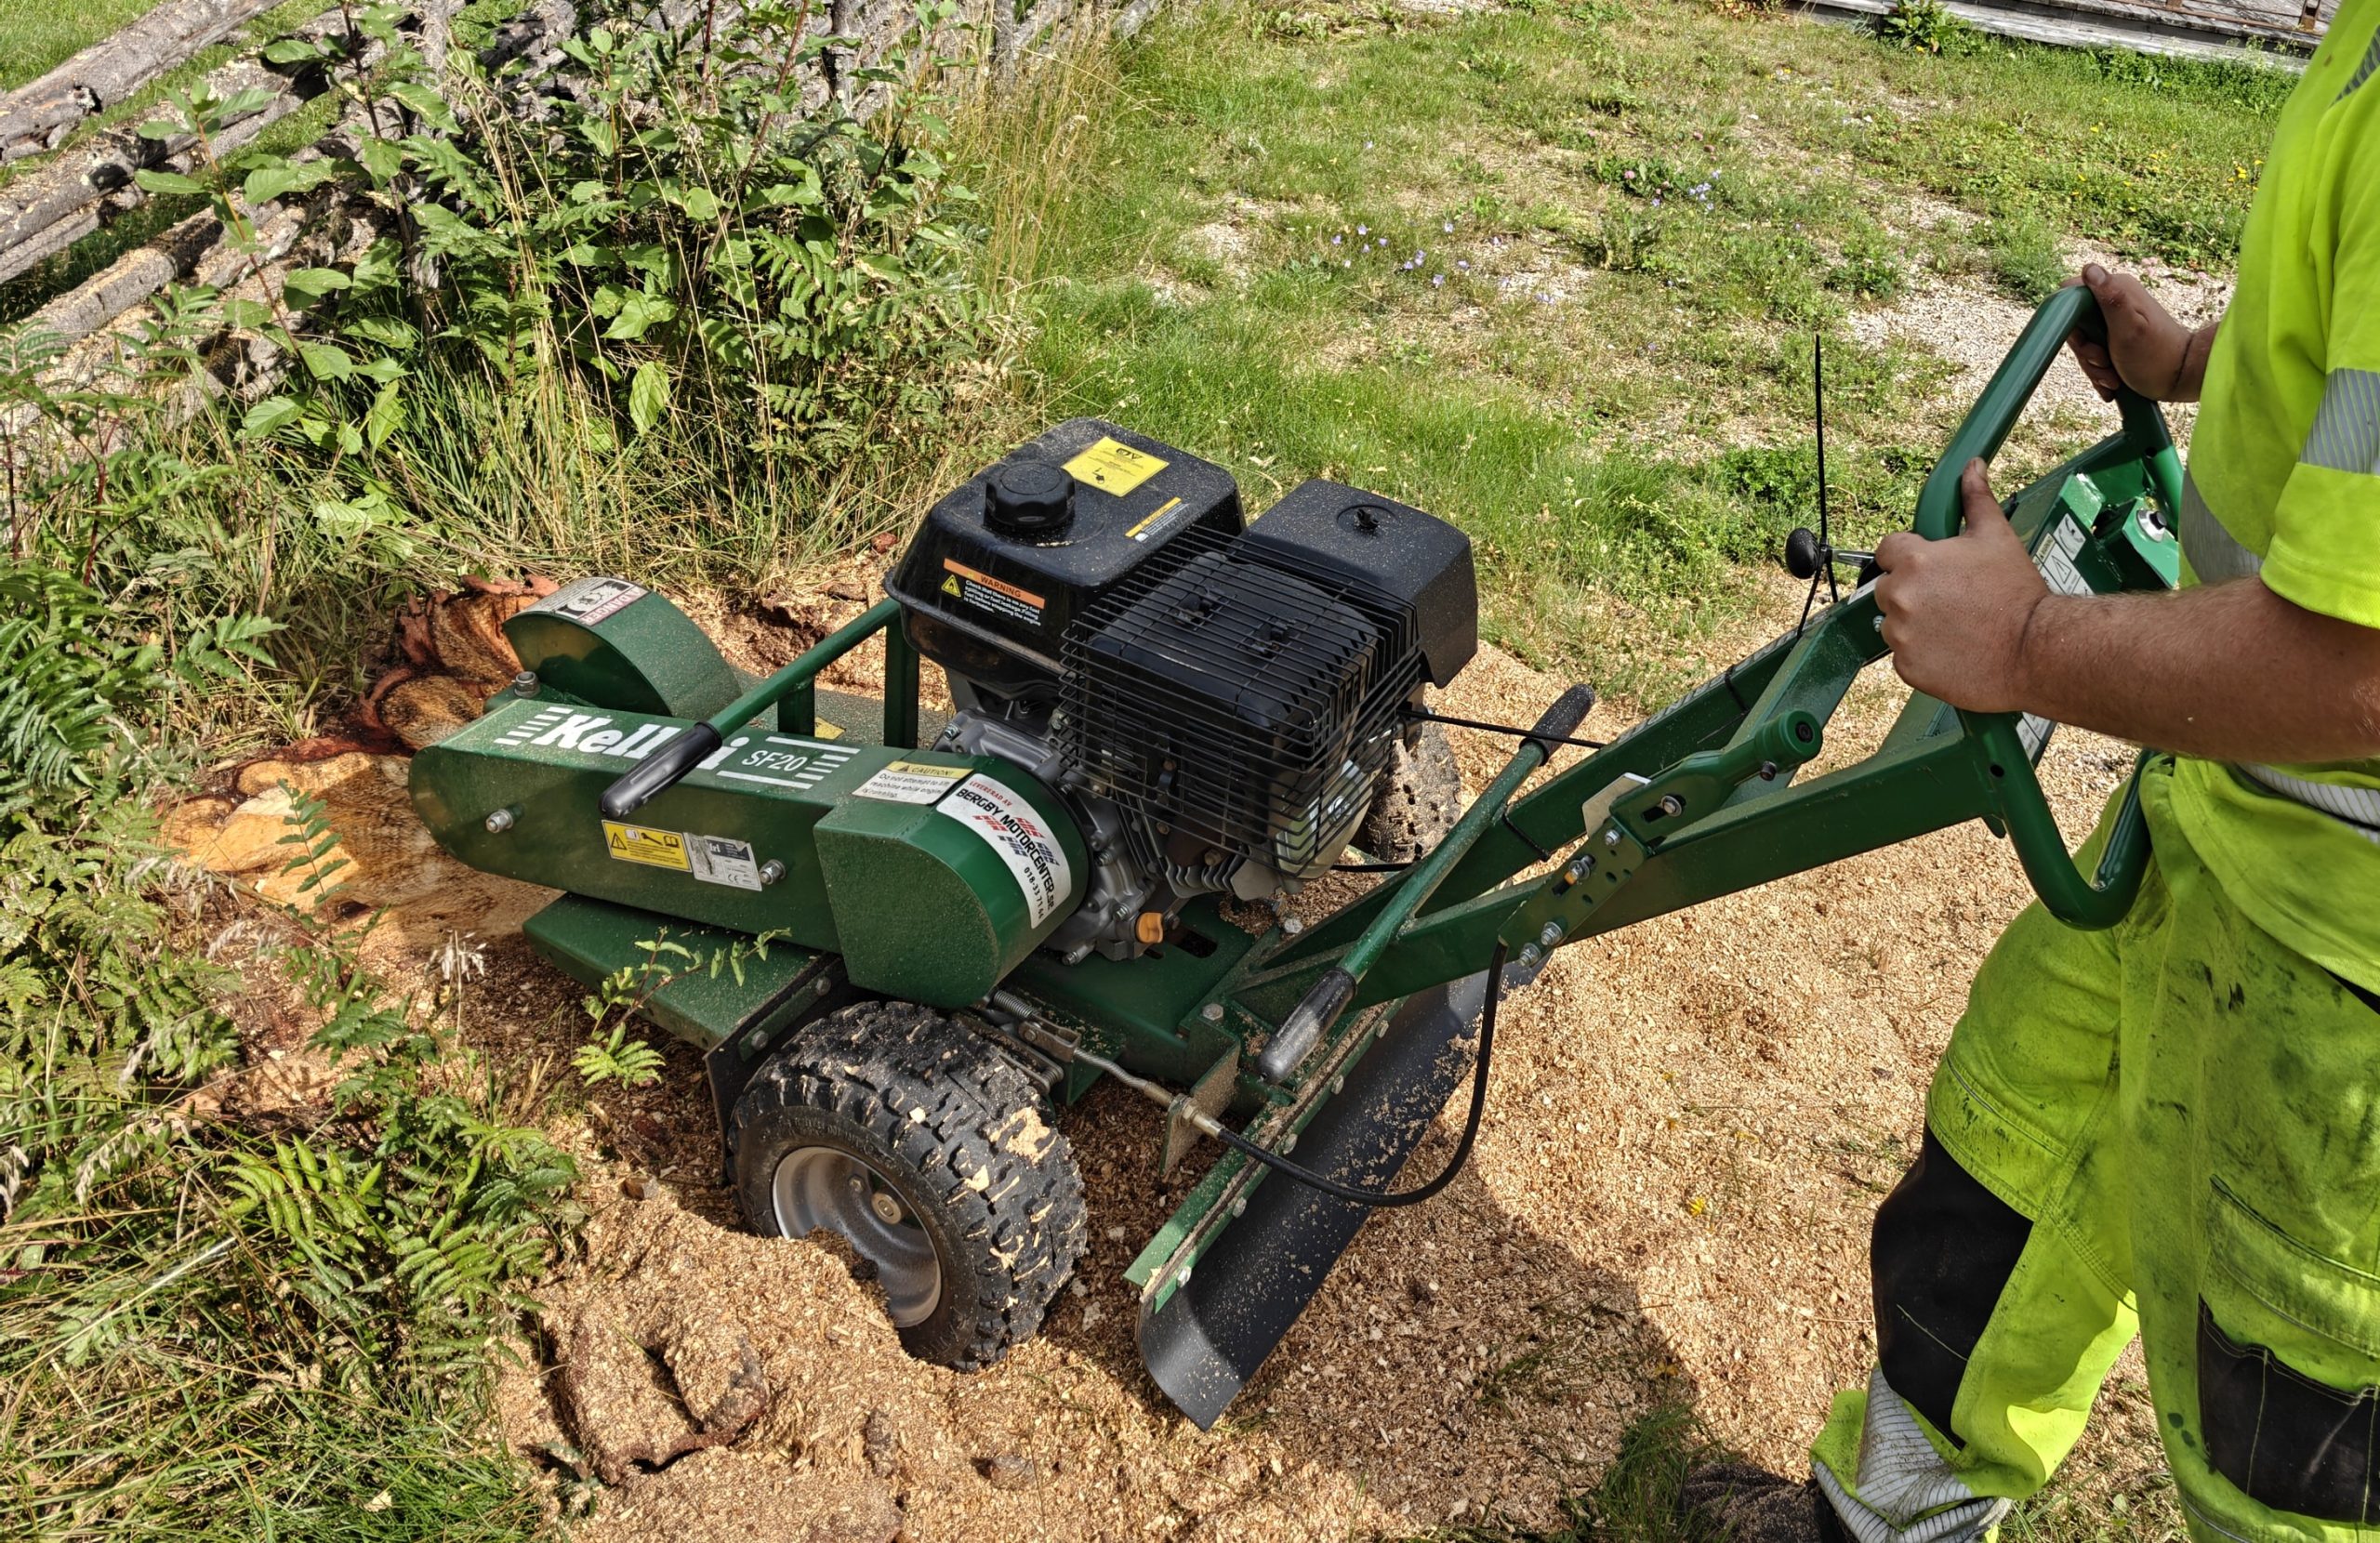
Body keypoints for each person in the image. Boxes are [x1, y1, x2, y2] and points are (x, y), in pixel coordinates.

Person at [1680, 9, 2380, 1540]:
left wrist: (2028, 646)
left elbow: (2366, 672)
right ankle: (1886, 1526)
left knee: (2292, 1449)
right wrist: (2192, 361)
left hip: (2345, 979)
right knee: (2004, 1178)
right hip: (2218, 826)